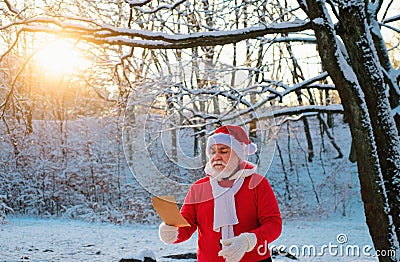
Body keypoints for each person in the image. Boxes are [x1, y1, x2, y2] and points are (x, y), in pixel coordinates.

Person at [158, 125, 282, 262]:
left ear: (238, 154)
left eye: (223, 151)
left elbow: (273, 224)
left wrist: (248, 240)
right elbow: (186, 227)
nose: (216, 156)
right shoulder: (198, 188)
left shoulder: (258, 184)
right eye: (212, 152)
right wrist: (172, 233)